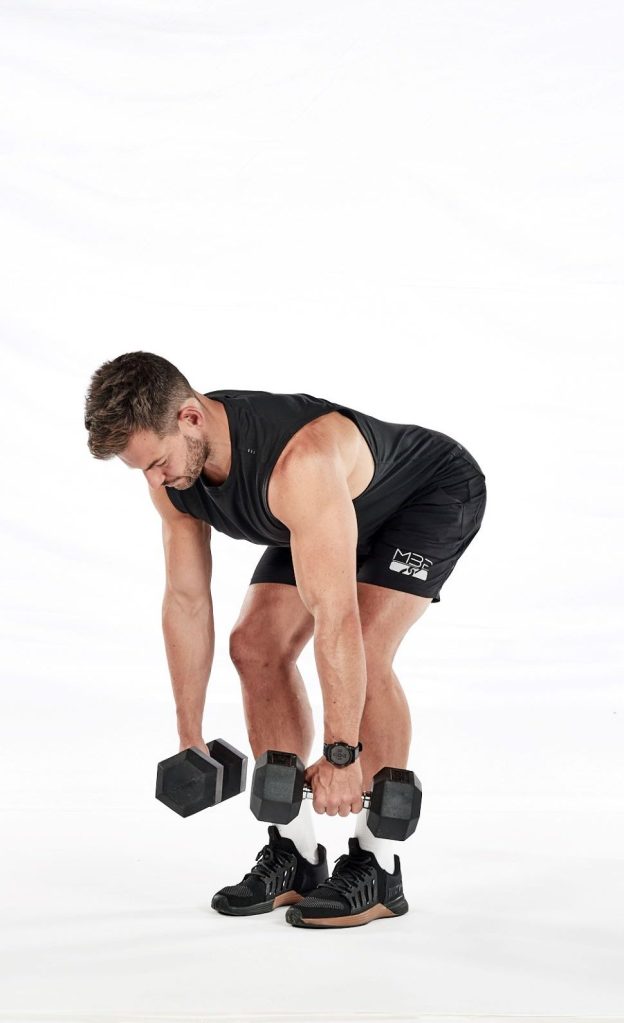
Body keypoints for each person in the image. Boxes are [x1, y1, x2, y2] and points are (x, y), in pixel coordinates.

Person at [84, 351, 487, 929]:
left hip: (425, 498)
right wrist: (189, 735)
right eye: (139, 469)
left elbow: (336, 619)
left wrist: (343, 753)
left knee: (367, 654)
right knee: (255, 646)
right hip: (321, 514)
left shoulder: (298, 463)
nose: (154, 480)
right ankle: (296, 857)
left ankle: (378, 866)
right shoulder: (173, 479)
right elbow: (187, 602)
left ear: (191, 419)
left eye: (157, 461)